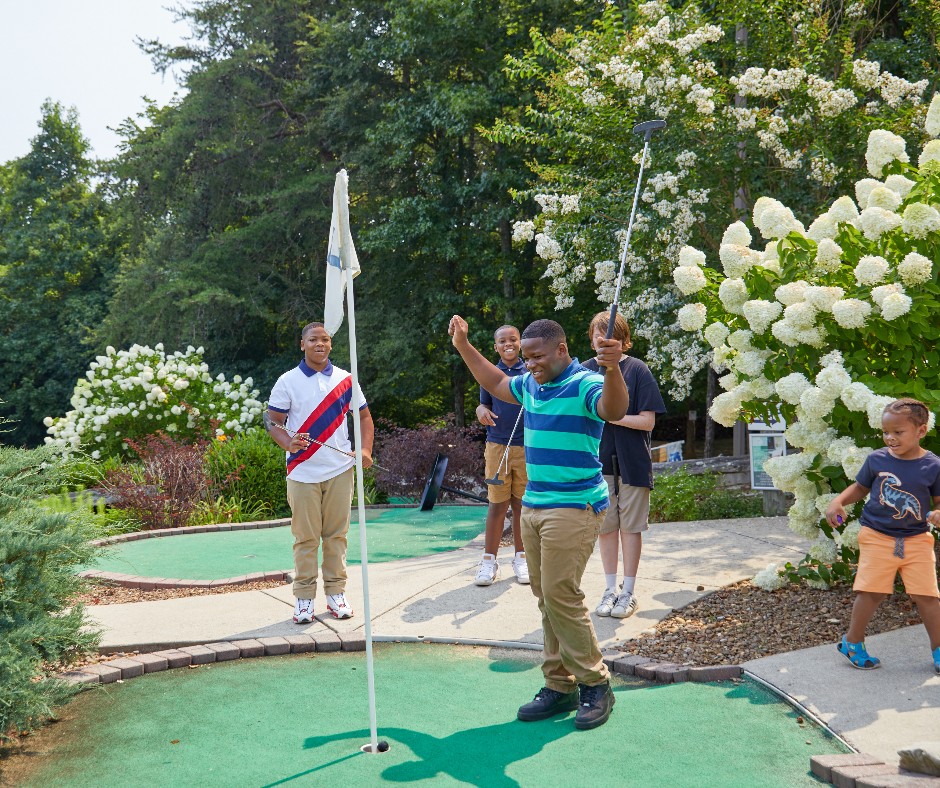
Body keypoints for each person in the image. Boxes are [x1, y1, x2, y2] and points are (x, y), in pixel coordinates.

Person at [448, 314, 629, 730]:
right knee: (546, 598)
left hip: (575, 505)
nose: (531, 364)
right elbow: (495, 383)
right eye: (527, 358)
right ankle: (559, 684)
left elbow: (615, 409)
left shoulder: (586, 383)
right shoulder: (531, 385)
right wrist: (462, 345)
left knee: (560, 594)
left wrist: (614, 366)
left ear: (562, 349)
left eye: (538, 356)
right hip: (534, 505)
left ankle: (596, 684)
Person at [266, 322, 374, 624]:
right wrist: (289, 442)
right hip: (302, 472)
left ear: (330, 344)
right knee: (306, 539)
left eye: (325, 339)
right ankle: (303, 600)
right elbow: (272, 421)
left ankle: (336, 595)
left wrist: (365, 451)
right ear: (303, 344)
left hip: (340, 469)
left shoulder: (346, 379)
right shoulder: (287, 381)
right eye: (313, 339)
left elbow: (365, 417)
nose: (320, 344)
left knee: (336, 536)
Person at [824, 398, 940, 674]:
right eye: (886, 432)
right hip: (877, 536)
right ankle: (852, 642)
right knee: (872, 592)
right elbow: (860, 487)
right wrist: (838, 501)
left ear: (921, 431)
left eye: (898, 432)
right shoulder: (877, 459)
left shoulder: (933, 466)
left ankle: (938, 648)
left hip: (917, 539)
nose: (890, 438)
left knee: (928, 597)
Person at [582, 312, 666, 620]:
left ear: (622, 340)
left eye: (609, 338)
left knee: (630, 529)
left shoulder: (637, 370)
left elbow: (647, 421)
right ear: (592, 340)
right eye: (597, 337)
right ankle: (609, 590)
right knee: (605, 529)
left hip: (632, 463)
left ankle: (628, 592)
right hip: (596, 464)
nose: (602, 343)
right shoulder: (584, 371)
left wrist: (612, 415)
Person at [475, 324, 529, 586]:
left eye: (513, 339)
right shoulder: (491, 372)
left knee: (521, 504)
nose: (508, 344)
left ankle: (521, 558)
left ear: (520, 343)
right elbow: (484, 403)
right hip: (498, 446)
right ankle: (488, 561)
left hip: (528, 446)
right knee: (497, 504)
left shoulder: (530, 369)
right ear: (495, 346)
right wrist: (479, 410)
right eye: (502, 341)